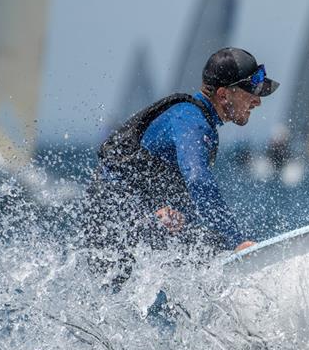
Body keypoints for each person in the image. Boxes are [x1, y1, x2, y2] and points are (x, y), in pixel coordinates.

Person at [84, 47, 279, 289]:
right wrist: (237, 241)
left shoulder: (199, 120)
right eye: (250, 91)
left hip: (125, 215)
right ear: (223, 94)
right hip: (114, 219)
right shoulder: (191, 121)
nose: (257, 101)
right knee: (213, 244)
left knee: (205, 242)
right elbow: (198, 180)